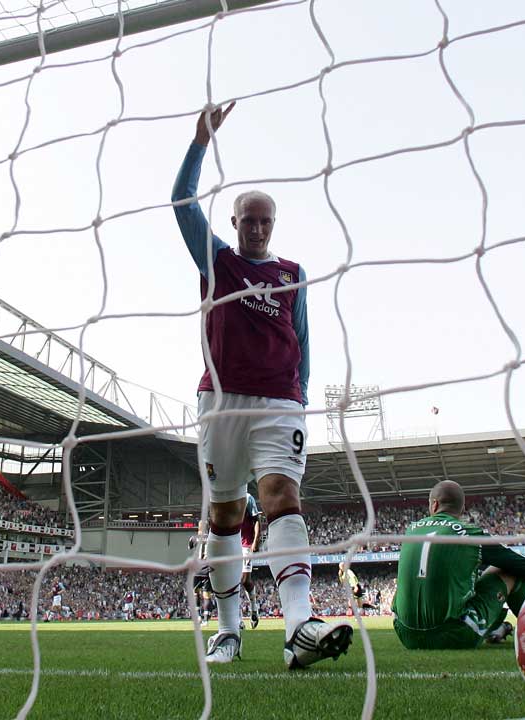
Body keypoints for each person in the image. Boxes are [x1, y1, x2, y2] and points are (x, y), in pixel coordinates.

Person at [172, 102, 351, 668]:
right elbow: (181, 202)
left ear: (273, 225)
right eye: (247, 219)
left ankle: (299, 623)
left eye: (264, 220)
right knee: (225, 516)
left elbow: (304, 340)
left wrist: (301, 395)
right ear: (234, 224)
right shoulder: (218, 260)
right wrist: (199, 143)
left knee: (281, 498)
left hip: (279, 402)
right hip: (221, 402)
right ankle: (228, 631)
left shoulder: (292, 274)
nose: (256, 227)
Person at [391, 481, 525, 649]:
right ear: (462, 509)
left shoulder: (411, 530)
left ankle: (495, 628)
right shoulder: (469, 534)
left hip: (406, 635)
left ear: (434, 504)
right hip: (455, 636)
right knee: (510, 571)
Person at [240, 492, 263, 629]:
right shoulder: (225, 495)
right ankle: (237, 620)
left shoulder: (247, 498)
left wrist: (256, 540)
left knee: (245, 581)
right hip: (231, 545)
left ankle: (254, 610)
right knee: (232, 583)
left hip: (245, 545)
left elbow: (256, 520)